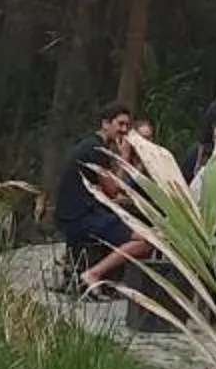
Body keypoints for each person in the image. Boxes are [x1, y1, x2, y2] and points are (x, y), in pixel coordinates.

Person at [55, 107, 151, 294]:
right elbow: (113, 191)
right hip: (81, 217)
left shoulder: (91, 145)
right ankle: (94, 274)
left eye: (127, 125)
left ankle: (104, 278)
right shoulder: (96, 149)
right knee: (147, 240)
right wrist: (123, 158)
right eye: (120, 124)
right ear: (105, 124)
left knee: (128, 227)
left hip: (73, 214)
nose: (124, 129)